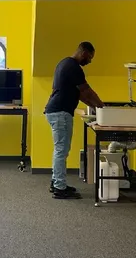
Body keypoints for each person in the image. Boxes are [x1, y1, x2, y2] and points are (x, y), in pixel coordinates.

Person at [44, 42, 104, 199]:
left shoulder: (64, 63)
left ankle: (57, 182)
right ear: (83, 52)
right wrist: (102, 107)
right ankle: (59, 187)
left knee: (61, 150)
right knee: (61, 150)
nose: (89, 61)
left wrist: (97, 108)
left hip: (56, 111)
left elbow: (82, 95)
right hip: (60, 112)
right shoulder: (74, 67)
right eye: (89, 57)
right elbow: (87, 91)